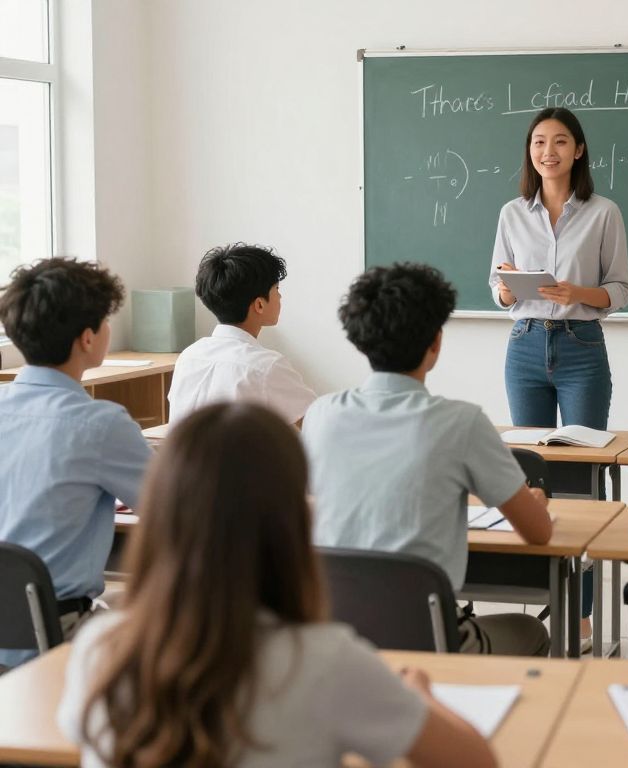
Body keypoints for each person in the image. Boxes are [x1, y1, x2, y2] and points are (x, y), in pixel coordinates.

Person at [58, 403, 497, 768]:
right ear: (295, 521)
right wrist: (418, 695)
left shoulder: (100, 649)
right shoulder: (325, 662)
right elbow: (477, 761)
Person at [303, 263, 553, 656]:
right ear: (435, 342)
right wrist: (535, 503)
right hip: (432, 642)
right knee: (530, 631)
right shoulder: (462, 423)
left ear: (359, 341)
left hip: (337, 641)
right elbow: (539, 533)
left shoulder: (320, 415)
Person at [489, 107, 628, 646]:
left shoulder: (603, 213)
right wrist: (507, 290)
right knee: (532, 476)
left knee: (582, 483)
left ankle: (584, 615)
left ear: (578, 151)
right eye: (538, 142)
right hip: (524, 346)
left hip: (580, 348)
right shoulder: (511, 212)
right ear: (530, 151)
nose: (547, 151)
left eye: (559, 142)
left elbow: (620, 289)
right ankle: (545, 598)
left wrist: (578, 293)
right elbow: (497, 286)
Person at [0, 258, 150, 670]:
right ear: (87, 339)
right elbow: (176, 506)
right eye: (105, 321)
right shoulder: (98, 425)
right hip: (52, 634)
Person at [167, 243, 316, 425]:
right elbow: (317, 424)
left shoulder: (189, 356)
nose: (280, 297)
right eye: (276, 290)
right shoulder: (265, 366)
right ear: (259, 305)